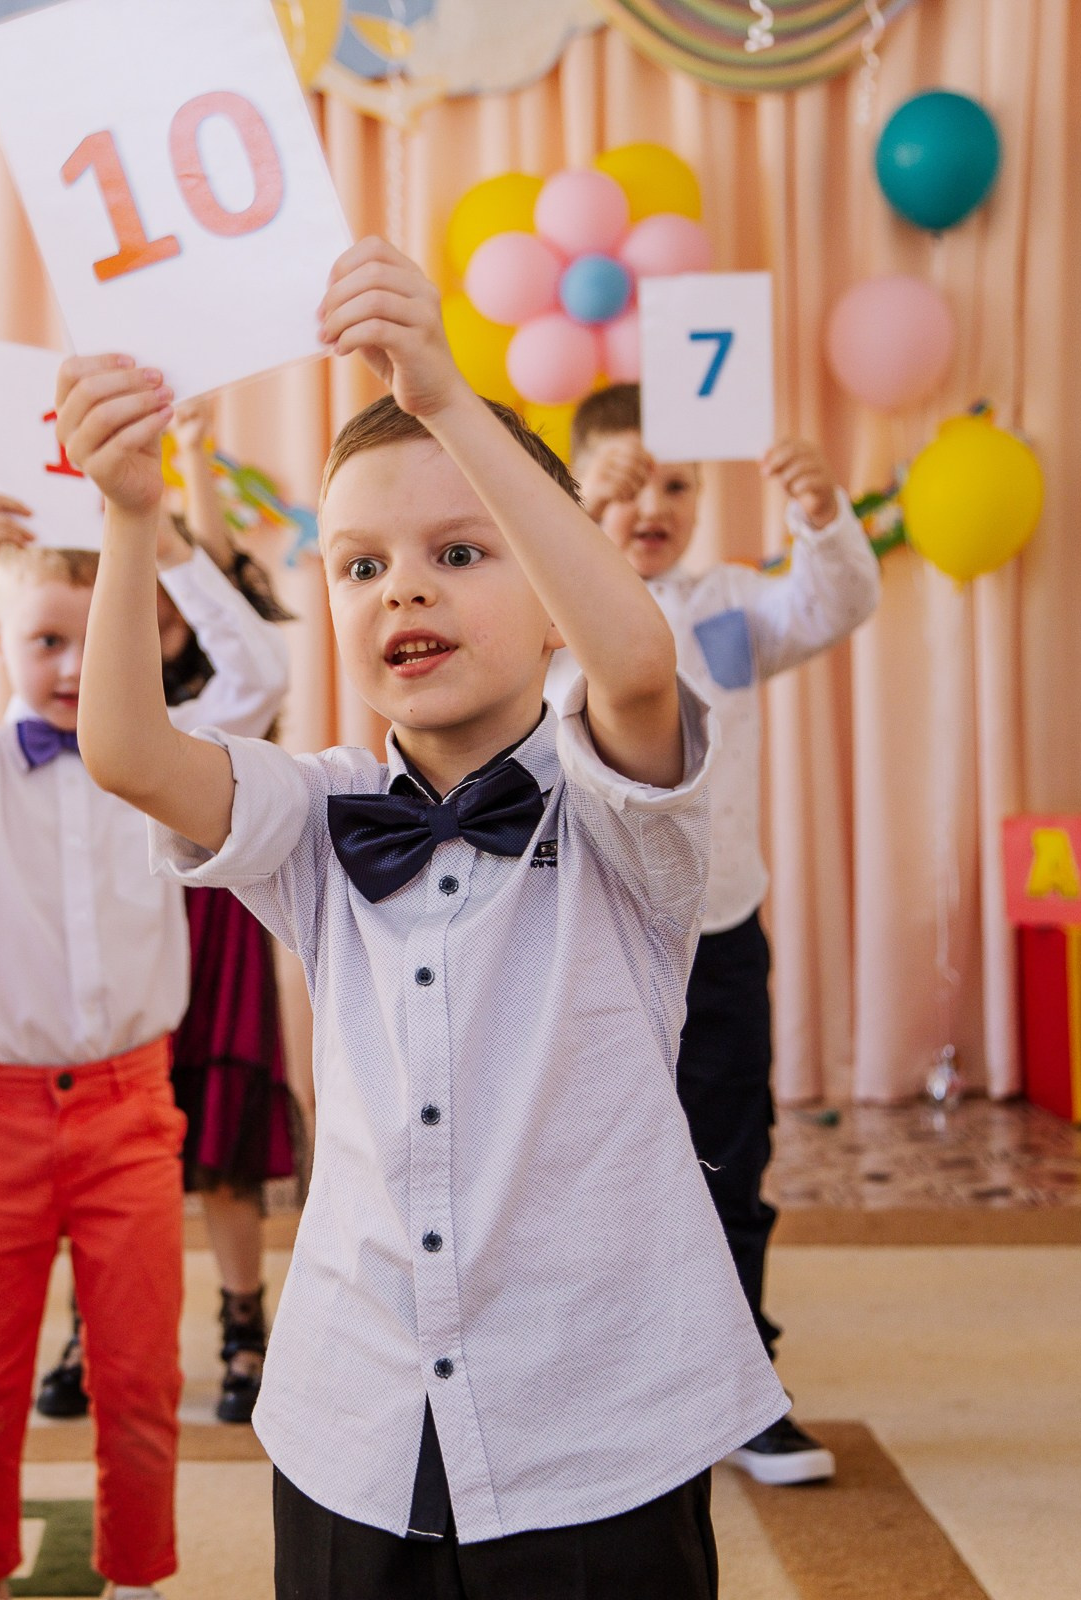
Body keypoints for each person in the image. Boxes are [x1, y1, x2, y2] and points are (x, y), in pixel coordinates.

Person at [63, 238, 785, 1599]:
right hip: (358, 1421)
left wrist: (448, 393)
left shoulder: (624, 806)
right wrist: (127, 520)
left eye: (464, 552)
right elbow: (128, 750)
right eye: (359, 566)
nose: (404, 589)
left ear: (555, 592)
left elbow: (635, 660)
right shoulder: (321, 812)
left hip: (594, 1432)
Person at [0, 449, 288, 1600]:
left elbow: (260, 665)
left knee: (141, 1374)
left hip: (131, 1108)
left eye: (89, 639)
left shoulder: (154, 756)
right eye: (39, 639)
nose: (62, 665)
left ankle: (139, 1574)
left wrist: (164, 533)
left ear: (143, 644)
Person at [565, 382, 880, 1486]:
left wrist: (821, 517)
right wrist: (555, 527)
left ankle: (741, 1386)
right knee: (590, 1168)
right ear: (574, 490)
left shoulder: (731, 607)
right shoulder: (548, 609)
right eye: (621, 483)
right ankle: (597, 1384)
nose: (651, 502)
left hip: (721, 932)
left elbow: (833, 605)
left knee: (727, 1158)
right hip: (589, 950)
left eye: (677, 483)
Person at [35, 401, 298, 1429]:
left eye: (163, 602)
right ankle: (88, 1323)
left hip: (215, 935)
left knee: (224, 1146)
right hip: (115, 945)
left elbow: (254, 657)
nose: (148, 617)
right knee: (97, 1153)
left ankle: (245, 1326)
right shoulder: (72, 717)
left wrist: (176, 511)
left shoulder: (207, 714)